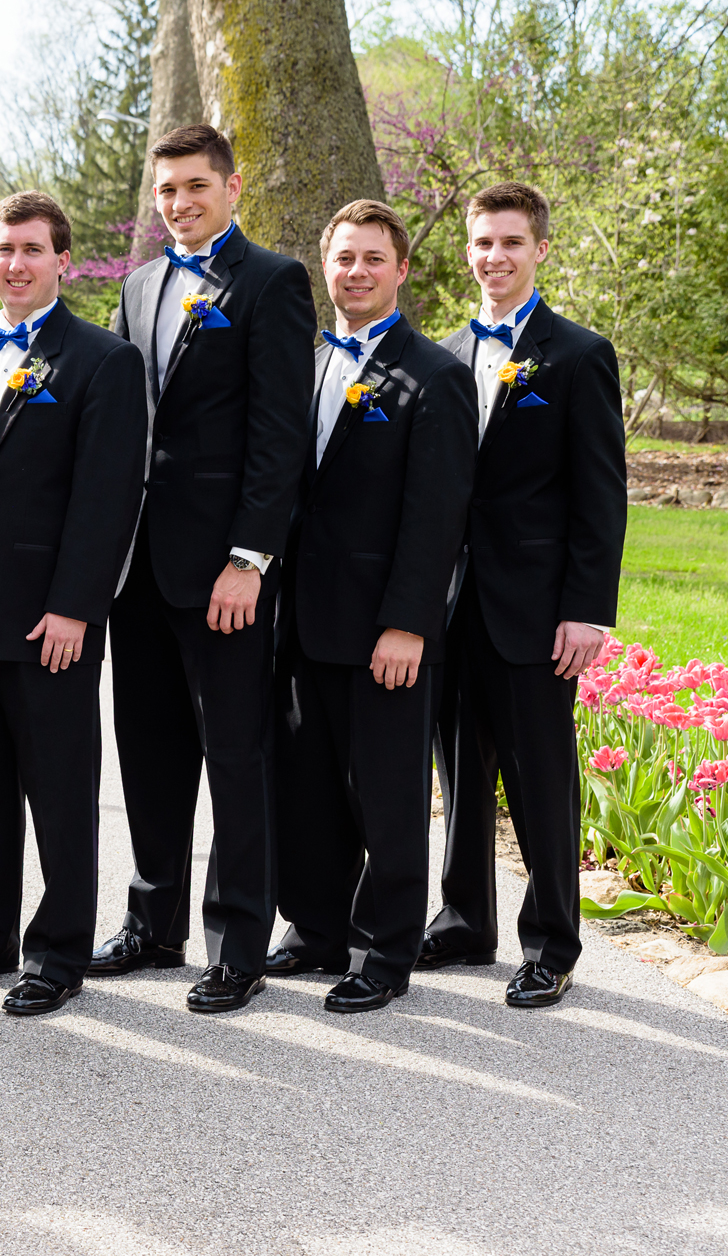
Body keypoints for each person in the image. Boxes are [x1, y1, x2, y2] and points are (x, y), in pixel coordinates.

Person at [0, 191, 147, 1017]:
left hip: (53, 619)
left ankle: (57, 950)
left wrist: (78, 606)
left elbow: (106, 496)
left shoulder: (103, 360)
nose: (15, 262)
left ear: (62, 260)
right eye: (4, 248)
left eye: (32, 249)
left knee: (59, 787)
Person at [97, 123, 315, 1013]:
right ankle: (154, 924)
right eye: (166, 191)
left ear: (232, 187)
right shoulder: (139, 285)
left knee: (235, 752)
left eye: (195, 186)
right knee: (147, 751)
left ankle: (238, 944)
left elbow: (278, 435)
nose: (179, 203)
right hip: (135, 568)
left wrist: (249, 557)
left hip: (223, 567)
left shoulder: (272, 282)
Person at [267, 199, 477, 1013]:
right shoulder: (306, 360)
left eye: (371, 259)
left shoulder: (435, 376)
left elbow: (438, 518)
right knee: (308, 786)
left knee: (387, 795)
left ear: (401, 270)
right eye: (343, 258)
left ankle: (387, 951)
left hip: (382, 628)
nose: (355, 272)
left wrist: (408, 622)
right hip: (301, 620)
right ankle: (317, 929)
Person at [421, 181, 627, 1008]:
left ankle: (552, 939)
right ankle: (466, 918)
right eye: (481, 243)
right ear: (466, 251)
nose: (494, 257)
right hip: (448, 604)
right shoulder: (438, 354)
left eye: (511, 242)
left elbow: (600, 493)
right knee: (459, 770)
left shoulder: (577, 355)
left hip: (537, 607)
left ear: (540, 248)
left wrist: (587, 607)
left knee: (542, 776)